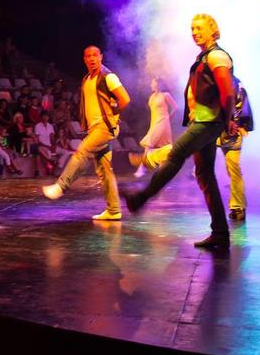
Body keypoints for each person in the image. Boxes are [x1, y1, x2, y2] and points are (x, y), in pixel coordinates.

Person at [123, 14, 235, 250]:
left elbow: (227, 92)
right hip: (203, 120)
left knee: (176, 154)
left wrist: (228, 120)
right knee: (205, 175)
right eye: (192, 28)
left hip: (208, 121)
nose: (194, 32)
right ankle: (220, 233)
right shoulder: (204, 56)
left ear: (213, 30)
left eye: (200, 28)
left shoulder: (216, 56)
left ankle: (141, 198)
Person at [42, 46, 131, 222]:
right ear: (84, 59)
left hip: (104, 127)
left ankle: (61, 186)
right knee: (105, 171)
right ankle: (114, 210)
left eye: (95, 55)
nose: (92, 59)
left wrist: (113, 115)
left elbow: (125, 99)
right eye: (88, 56)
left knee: (82, 151)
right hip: (94, 128)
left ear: (101, 57)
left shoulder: (108, 77)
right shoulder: (86, 79)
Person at [218, 76, 253, 221]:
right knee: (233, 170)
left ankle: (238, 207)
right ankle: (237, 207)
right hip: (219, 130)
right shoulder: (216, 79)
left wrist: (236, 124)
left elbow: (241, 105)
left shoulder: (235, 83)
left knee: (233, 169)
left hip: (228, 131)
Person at [133, 77, 177, 177]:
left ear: (158, 84)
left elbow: (175, 108)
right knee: (162, 148)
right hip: (154, 123)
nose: (151, 85)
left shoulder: (165, 95)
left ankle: (142, 167)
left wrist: (168, 118)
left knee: (149, 144)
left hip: (163, 122)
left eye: (152, 83)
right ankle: (163, 171)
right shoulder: (152, 97)